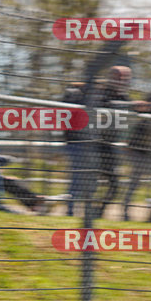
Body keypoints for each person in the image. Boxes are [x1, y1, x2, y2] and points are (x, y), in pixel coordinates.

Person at [94, 66, 132, 218]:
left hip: (109, 147)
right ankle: (75, 213)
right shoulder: (101, 93)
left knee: (114, 184)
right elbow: (105, 106)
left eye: (125, 78)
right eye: (119, 77)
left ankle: (98, 212)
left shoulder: (124, 97)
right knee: (88, 182)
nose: (123, 81)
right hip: (93, 144)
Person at [122, 100, 151, 221]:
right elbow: (127, 138)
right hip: (137, 154)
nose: (146, 107)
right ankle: (125, 209)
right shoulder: (135, 117)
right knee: (134, 182)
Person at [62, 81, 87, 216]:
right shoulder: (74, 95)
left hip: (87, 143)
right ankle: (71, 209)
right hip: (76, 142)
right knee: (77, 177)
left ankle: (74, 209)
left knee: (81, 177)